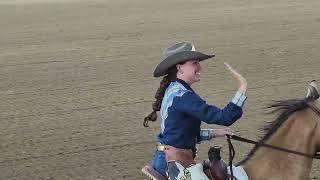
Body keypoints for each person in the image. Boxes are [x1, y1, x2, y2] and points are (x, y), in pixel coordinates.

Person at [142, 42, 247, 178]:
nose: (200, 66)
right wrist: (242, 87)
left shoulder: (176, 91)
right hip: (173, 163)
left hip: (170, 159)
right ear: (180, 68)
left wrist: (214, 133)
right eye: (194, 63)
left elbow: (180, 134)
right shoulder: (183, 96)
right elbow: (224, 117)